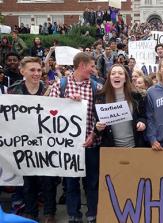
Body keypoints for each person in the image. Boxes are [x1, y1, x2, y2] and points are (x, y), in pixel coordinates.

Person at [49, 52, 99, 223]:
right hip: (68, 146)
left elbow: (99, 116)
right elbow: (50, 112)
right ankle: (73, 216)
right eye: (91, 66)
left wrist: (93, 134)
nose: (94, 69)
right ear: (82, 65)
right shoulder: (60, 85)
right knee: (71, 183)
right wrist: (67, 103)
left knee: (91, 182)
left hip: (90, 143)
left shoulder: (96, 87)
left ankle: (92, 215)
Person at [7, 57, 56, 223]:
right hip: (23, 144)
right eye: (32, 70)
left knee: (48, 179)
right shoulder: (13, 91)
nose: (36, 73)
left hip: (45, 143)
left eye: (38, 70)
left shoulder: (49, 90)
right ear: (22, 71)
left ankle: (49, 213)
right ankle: (30, 212)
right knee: (27, 181)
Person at [94, 64, 147, 147]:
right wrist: (98, 127)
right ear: (109, 78)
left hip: (135, 147)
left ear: (125, 79)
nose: (117, 75)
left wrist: (142, 122)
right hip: (111, 149)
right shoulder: (101, 98)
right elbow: (96, 123)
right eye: (113, 73)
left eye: (120, 73)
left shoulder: (136, 96)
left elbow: (143, 116)